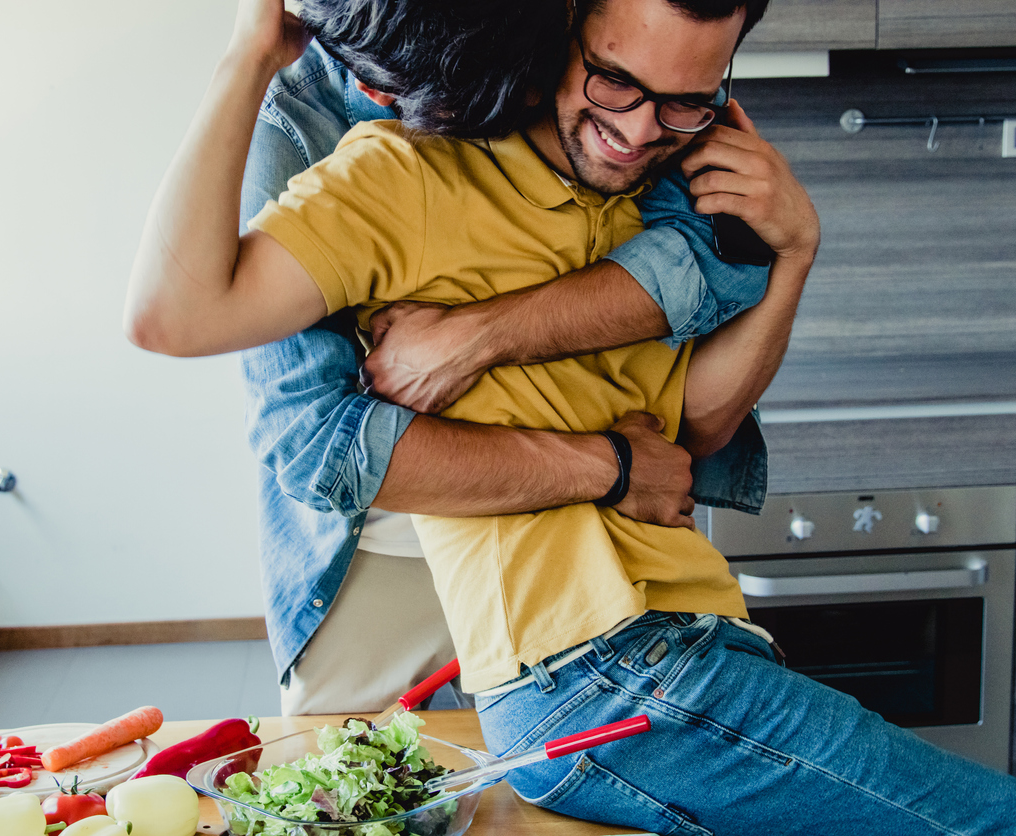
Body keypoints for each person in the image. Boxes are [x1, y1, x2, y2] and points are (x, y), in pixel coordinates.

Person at [124, 0, 1016, 830]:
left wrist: (796, 254)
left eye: (683, 102)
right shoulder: (390, 171)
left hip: (674, 632)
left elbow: (694, 424)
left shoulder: (647, 175)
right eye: (615, 82)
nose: (642, 126)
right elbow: (265, 396)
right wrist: (250, 49)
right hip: (512, 627)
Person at [236, 0, 770, 716]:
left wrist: (476, 335)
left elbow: (717, 257)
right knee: (369, 803)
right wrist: (609, 466)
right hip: (381, 566)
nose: (645, 125)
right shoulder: (302, 122)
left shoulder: (624, 62)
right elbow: (313, 442)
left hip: (592, 555)